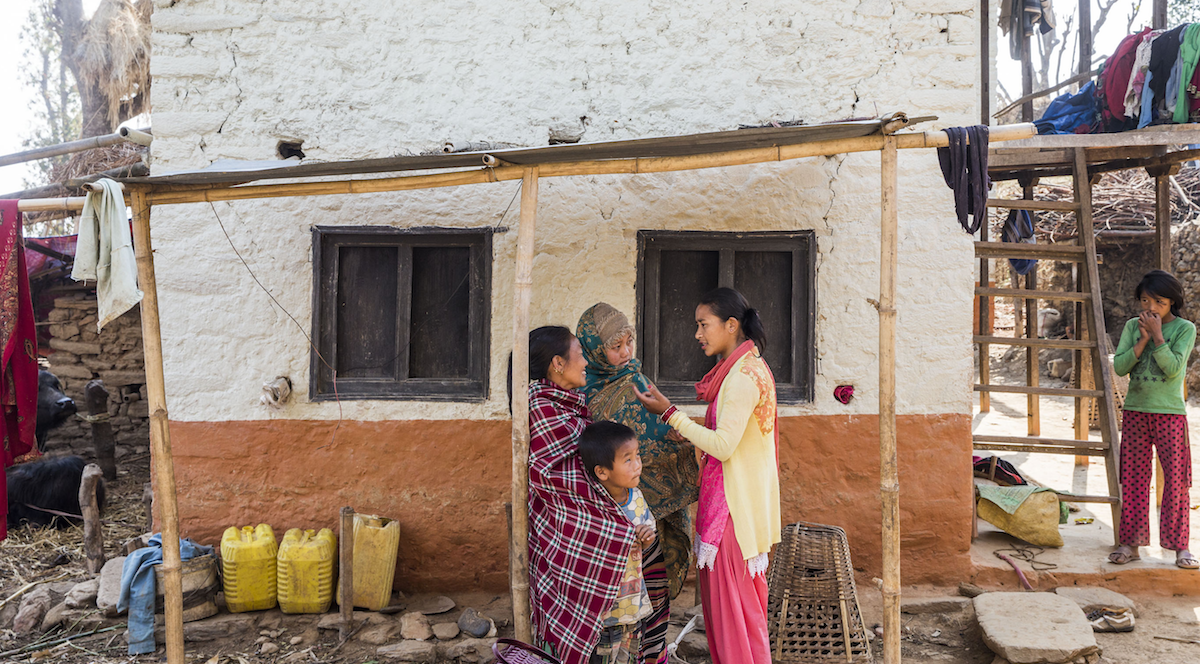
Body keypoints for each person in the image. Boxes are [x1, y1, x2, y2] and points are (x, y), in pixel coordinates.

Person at [635, 287, 781, 664]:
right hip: (734, 506)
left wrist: (671, 414)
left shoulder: (743, 377)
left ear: (731, 325)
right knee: (741, 620)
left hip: (733, 514)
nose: (698, 334)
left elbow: (723, 446)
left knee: (735, 621)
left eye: (704, 325)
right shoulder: (746, 367)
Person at [576, 303, 699, 664]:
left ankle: (655, 653)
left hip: (651, 508)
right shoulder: (583, 392)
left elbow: (661, 425)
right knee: (619, 594)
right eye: (617, 347)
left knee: (654, 583)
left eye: (629, 341)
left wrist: (679, 438)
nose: (626, 352)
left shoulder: (636, 377)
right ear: (594, 351)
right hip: (612, 513)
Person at [525, 326, 638, 664]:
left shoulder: (567, 405)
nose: (587, 361)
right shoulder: (542, 407)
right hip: (566, 531)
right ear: (558, 363)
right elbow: (557, 477)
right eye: (579, 353)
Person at [1109, 270, 1197, 570]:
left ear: (1171, 302)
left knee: (1176, 481)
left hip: (1170, 413)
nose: (1151, 307)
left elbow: (1173, 369)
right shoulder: (1133, 326)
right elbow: (1120, 367)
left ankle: (1180, 547)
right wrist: (1143, 339)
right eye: (1145, 300)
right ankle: (1129, 543)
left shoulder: (1185, 329)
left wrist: (1158, 337)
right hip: (1135, 411)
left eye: (1158, 301)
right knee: (1133, 479)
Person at [577, 421, 658, 664]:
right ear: (602, 472)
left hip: (633, 604)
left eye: (638, 455)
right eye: (628, 460)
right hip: (604, 611)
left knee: (630, 658)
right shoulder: (592, 508)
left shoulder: (637, 498)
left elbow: (649, 531)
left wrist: (647, 536)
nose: (638, 465)